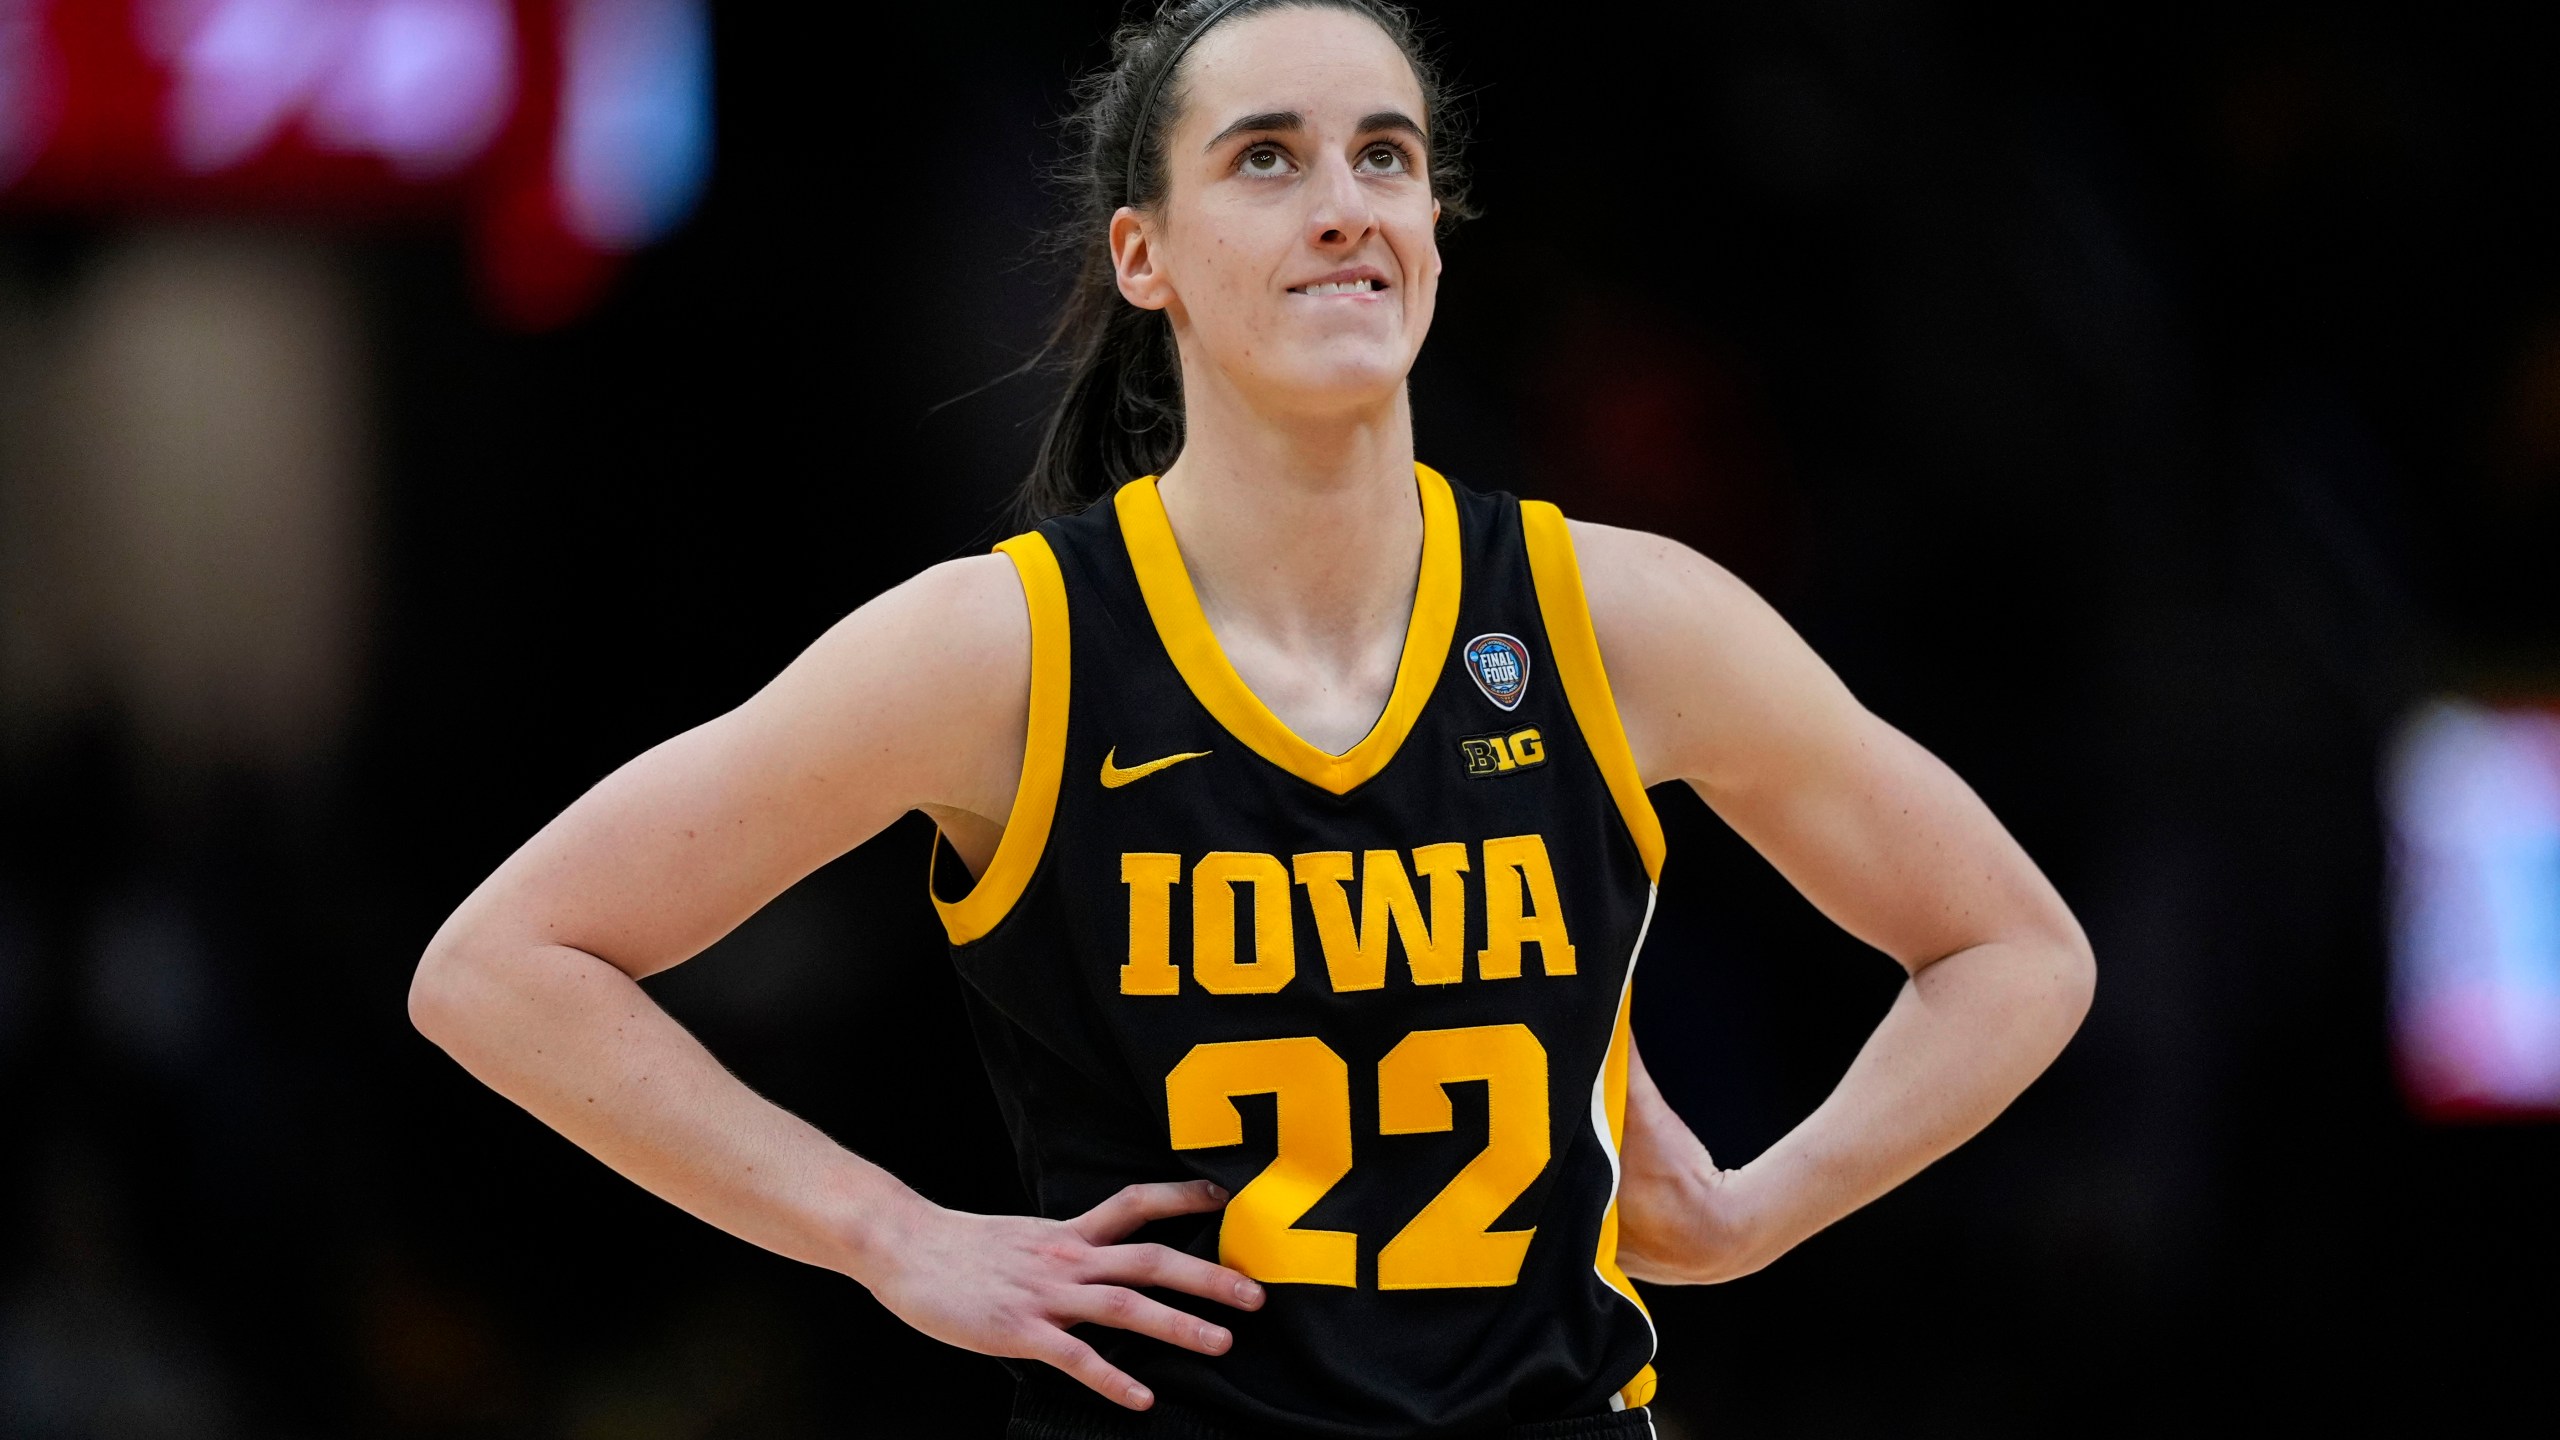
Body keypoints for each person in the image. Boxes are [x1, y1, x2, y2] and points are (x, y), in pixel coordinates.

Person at [407, 2, 2096, 1435]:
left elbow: (2016, 952)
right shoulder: (1007, 649)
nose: (1347, 203)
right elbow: (502, 968)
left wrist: (1746, 1216)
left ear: (1436, 235)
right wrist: (887, 1233)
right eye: (1267, 158)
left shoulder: (1616, 616)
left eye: (1389, 157)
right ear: (1143, 255)